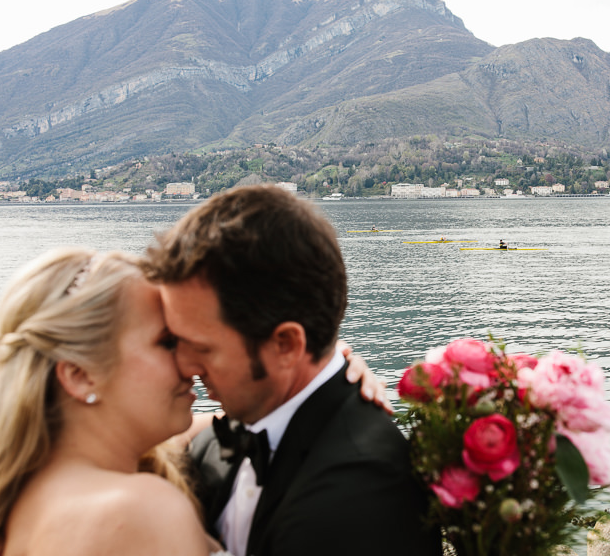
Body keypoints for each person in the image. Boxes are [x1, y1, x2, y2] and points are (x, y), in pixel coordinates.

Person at [0, 249, 384, 556]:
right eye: (167, 342)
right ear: (80, 375)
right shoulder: (139, 510)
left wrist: (311, 376)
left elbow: (233, 426)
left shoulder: (21, 497)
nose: (189, 364)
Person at [142, 185, 440, 556]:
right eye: (173, 341)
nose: (183, 366)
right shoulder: (215, 442)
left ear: (285, 345)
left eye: (202, 347)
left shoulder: (359, 492)